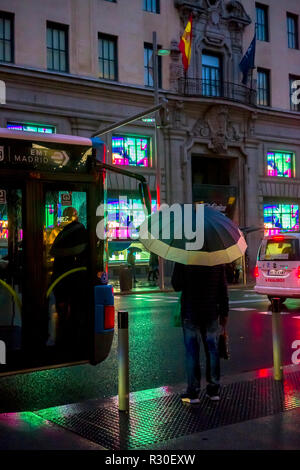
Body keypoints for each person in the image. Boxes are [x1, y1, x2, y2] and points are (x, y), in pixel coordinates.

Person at [172, 262, 229, 404]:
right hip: (210, 312)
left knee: (192, 352)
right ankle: (213, 389)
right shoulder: (216, 258)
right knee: (212, 350)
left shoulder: (184, 257)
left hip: (191, 311)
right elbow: (222, 288)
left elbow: (176, 285)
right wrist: (224, 313)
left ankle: (193, 392)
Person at [50, 207, 88, 351]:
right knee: (72, 310)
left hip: (60, 279)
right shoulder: (78, 230)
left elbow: (53, 251)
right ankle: (69, 340)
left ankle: (63, 338)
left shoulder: (63, 233)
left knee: (63, 310)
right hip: (71, 280)